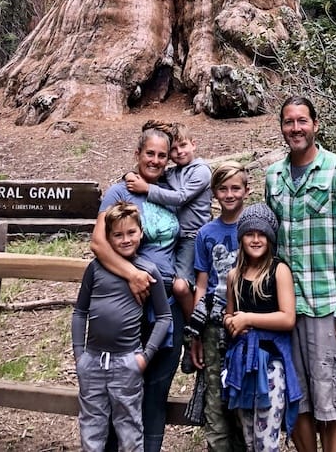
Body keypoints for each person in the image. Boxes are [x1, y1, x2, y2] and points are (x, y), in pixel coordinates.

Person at [265, 97, 336, 452]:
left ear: (315, 124)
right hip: (285, 309)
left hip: (328, 306)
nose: (295, 128)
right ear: (282, 127)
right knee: (296, 396)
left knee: (333, 397)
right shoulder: (274, 176)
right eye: (289, 122)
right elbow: (270, 242)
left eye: (302, 121)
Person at [90, 121, 183, 452]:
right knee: (122, 390)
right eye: (149, 154)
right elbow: (99, 243)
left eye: (162, 155)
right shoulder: (120, 192)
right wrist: (132, 274)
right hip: (129, 303)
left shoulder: (169, 192)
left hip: (168, 305)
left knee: (157, 389)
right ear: (137, 154)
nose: (155, 160)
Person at [72, 202, 171, 452]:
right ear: (108, 237)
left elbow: (164, 317)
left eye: (131, 232)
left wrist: (144, 357)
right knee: (91, 427)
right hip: (93, 361)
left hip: (127, 362)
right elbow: (80, 311)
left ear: (141, 233)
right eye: (118, 234)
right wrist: (80, 355)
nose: (126, 240)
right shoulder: (95, 269)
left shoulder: (148, 271)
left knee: (129, 429)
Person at [223, 202, 302, 452]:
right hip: (242, 364)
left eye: (262, 234)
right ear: (241, 238)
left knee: (266, 442)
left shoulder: (279, 271)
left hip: (270, 366)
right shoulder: (234, 275)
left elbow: (287, 318)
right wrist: (230, 321)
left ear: (270, 238)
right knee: (249, 441)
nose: (256, 240)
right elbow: (229, 314)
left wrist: (248, 319)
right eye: (250, 234)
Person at [186, 160, 250, 452]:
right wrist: (195, 333)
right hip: (213, 321)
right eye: (222, 189)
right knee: (215, 394)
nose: (229, 194)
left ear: (246, 190)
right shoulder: (206, 234)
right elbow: (201, 284)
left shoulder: (255, 229)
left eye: (235, 188)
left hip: (248, 322)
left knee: (244, 391)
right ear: (214, 193)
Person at [125, 121, 211, 320]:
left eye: (184, 145)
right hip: (175, 236)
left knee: (180, 286)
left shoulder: (201, 171)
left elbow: (181, 197)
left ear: (194, 144)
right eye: (174, 149)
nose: (179, 152)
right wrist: (130, 175)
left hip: (192, 236)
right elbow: (149, 172)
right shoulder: (173, 173)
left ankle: (193, 325)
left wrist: (147, 189)